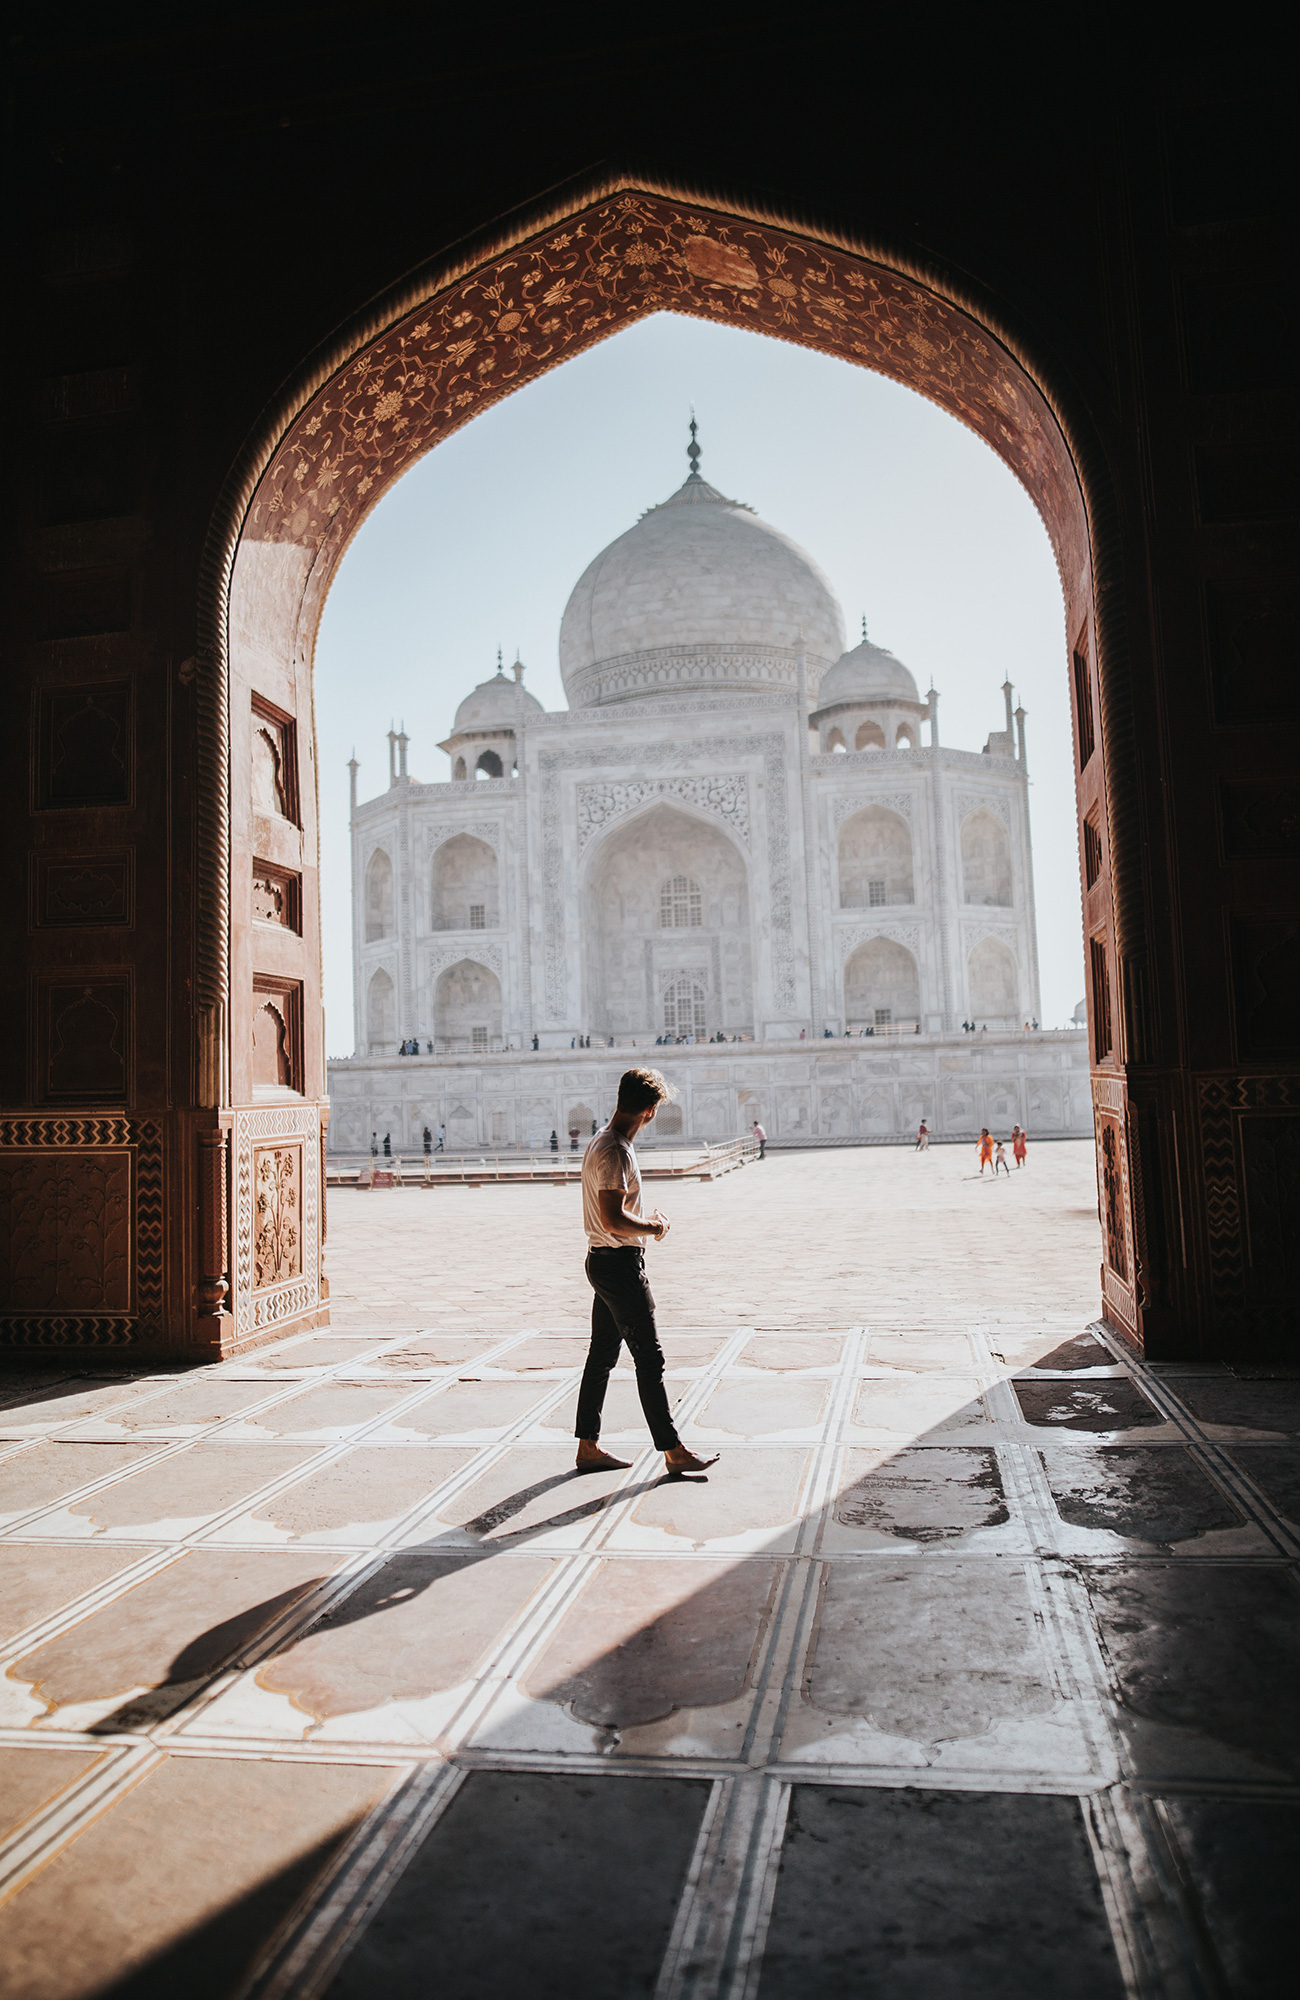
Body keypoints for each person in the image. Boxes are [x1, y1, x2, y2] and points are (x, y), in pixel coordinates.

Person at [576, 1067, 717, 1477]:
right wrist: (654, 1226)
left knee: (601, 1355)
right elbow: (613, 1219)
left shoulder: (601, 1140)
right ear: (651, 1111)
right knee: (649, 1360)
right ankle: (673, 1450)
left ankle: (588, 1446)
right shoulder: (616, 1150)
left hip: (601, 1262)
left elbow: (612, 1216)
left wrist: (639, 1220)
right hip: (619, 1265)